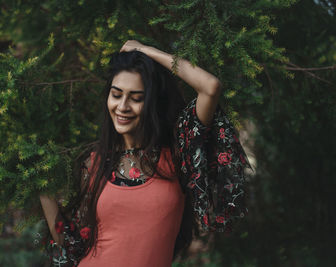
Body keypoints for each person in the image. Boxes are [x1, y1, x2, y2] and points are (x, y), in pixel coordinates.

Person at [39, 40, 251, 267]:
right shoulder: (95, 163)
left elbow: (210, 87)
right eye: (116, 94)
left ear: (152, 102)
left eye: (136, 98)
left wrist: (145, 51)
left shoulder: (178, 154)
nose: (122, 106)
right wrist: (40, 183)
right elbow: (69, 241)